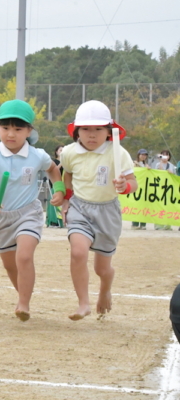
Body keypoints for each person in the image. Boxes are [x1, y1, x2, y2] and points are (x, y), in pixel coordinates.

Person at [0, 99, 64, 321]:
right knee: (10, 266)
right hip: (1, 217)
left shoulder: (37, 155)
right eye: (5, 128)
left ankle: (23, 304)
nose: (11, 134)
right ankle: (23, 294)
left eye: (18, 129)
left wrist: (59, 189)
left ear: (29, 131)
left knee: (24, 257)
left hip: (29, 213)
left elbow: (53, 169)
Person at [60, 100, 136, 321]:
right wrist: (66, 199)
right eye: (85, 129)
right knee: (78, 252)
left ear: (109, 131)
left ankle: (105, 289)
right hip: (80, 208)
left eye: (98, 129)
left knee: (102, 269)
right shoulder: (69, 153)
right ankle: (83, 303)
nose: (91, 135)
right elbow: (68, 175)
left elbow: (133, 181)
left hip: (108, 212)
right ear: (77, 131)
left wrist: (125, 186)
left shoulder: (118, 153)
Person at [152, 149, 175, 231]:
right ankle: (159, 225)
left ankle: (167, 225)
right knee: (159, 206)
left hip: (169, 188)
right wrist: (161, 161)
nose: (165, 157)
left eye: (167, 155)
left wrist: (171, 173)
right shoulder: (158, 164)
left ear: (169, 156)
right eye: (163, 155)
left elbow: (175, 177)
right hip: (160, 188)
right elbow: (158, 172)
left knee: (168, 206)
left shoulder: (171, 165)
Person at [131, 149, 149, 230]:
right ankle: (135, 223)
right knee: (136, 205)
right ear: (138, 155)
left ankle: (143, 224)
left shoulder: (146, 165)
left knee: (144, 205)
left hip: (144, 188)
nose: (143, 156)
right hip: (136, 187)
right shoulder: (134, 164)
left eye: (145, 155)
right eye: (142, 154)